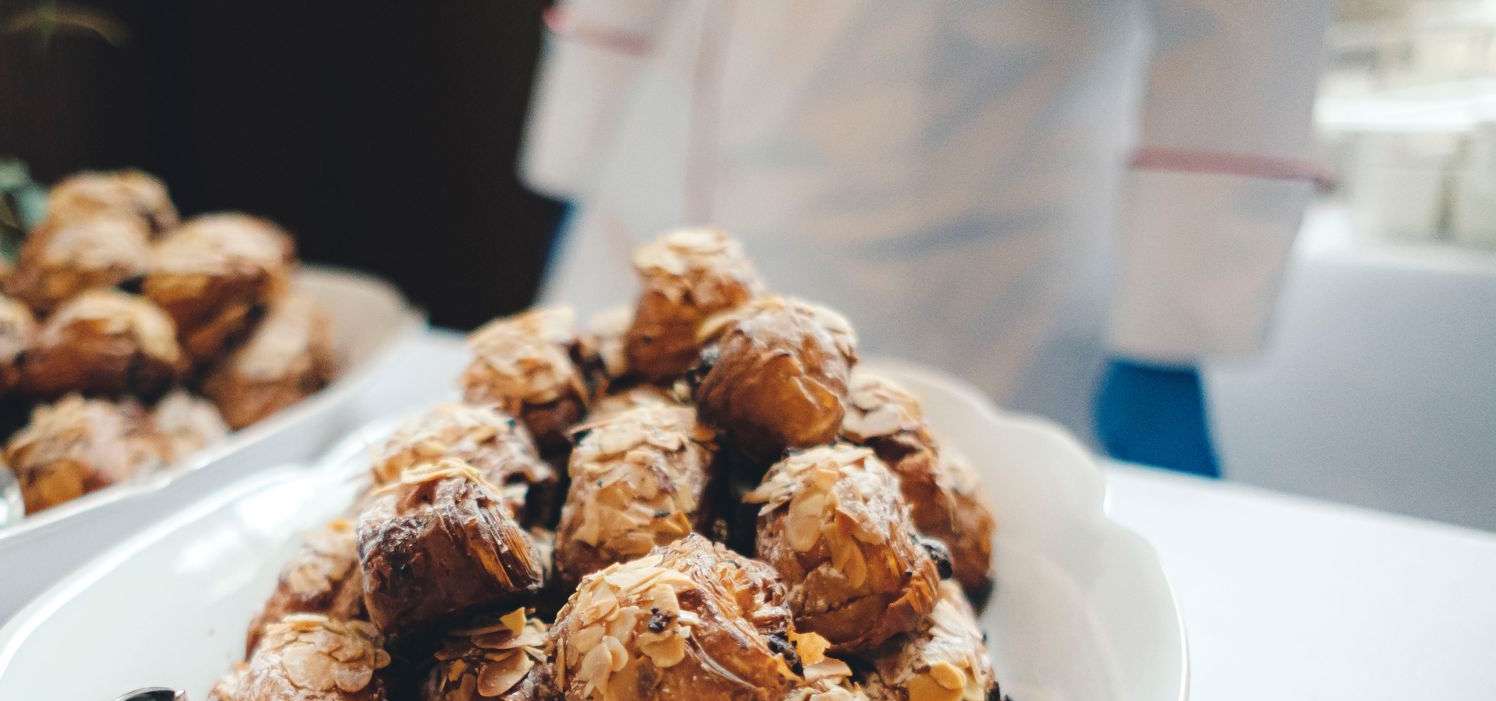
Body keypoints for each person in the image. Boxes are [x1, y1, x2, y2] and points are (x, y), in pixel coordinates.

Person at [521, 0, 1337, 477]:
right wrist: (582, 140)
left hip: (958, 205)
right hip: (649, 166)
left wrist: (1175, 320)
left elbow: (1245, 26)